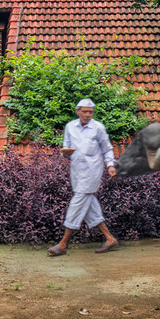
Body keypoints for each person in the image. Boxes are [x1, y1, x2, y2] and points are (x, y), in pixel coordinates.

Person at [47, 98, 119, 256]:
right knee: (90, 205)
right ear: (78, 111)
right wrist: (65, 153)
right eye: (84, 111)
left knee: (77, 203)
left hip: (93, 171)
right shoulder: (70, 127)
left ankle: (63, 243)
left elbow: (107, 149)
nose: (87, 114)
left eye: (90, 112)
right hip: (77, 171)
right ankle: (109, 238)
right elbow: (66, 147)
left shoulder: (98, 128)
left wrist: (111, 165)